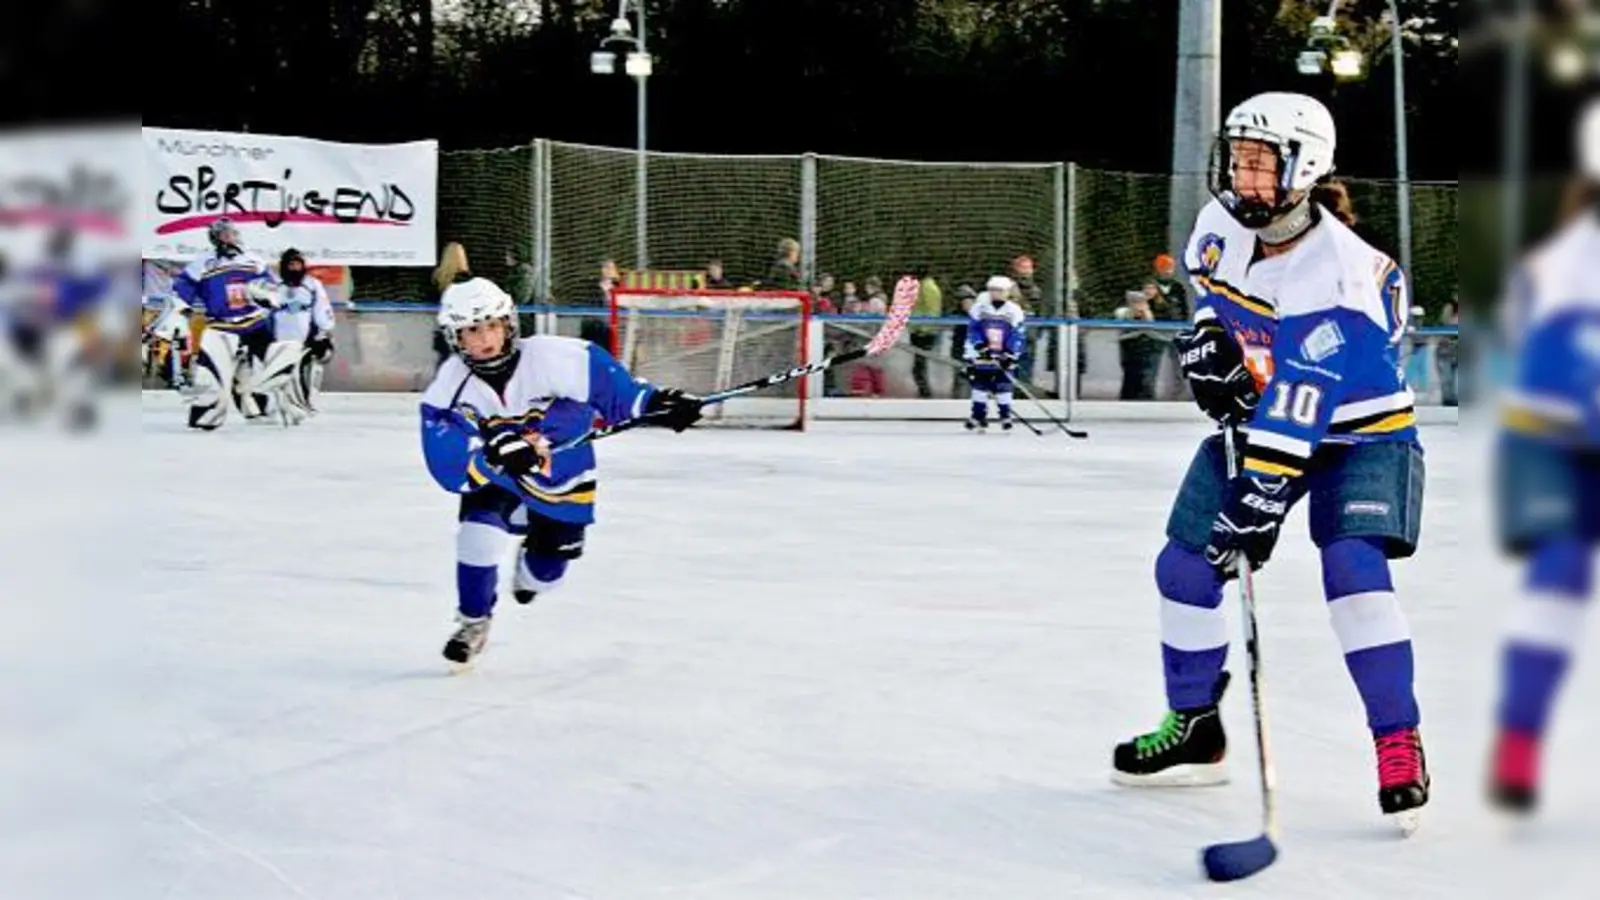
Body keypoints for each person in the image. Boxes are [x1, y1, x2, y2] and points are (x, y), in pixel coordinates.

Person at [1109, 92, 1430, 830]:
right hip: (1267, 419)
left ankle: (1398, 741)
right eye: (1240, 160)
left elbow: (1301, 403)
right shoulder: (1220, 223)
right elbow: (1211, 297)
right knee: (1186, 567)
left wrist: (1256, 499)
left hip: (1361, 435)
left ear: (1306, 169)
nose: (1244, 177)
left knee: (1352, 569)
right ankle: (1194, 726)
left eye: (1262, 165)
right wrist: (1206, 345)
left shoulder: (1342, 277)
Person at [419, 277, 705, 667]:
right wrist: (493, 456)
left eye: (492, 325)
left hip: (562, 479)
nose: (485, 337)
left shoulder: (558, 358)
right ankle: (473, 620)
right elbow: (451, 468)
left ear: (509, 324)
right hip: (500, 476)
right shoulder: (448, 390)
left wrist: (658, 402)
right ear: (455, 336)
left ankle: (528, 574)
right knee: (477, 534)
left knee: (547, 574)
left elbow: (619, 395)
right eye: (472, 329)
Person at [1486, 97, 1600, 816]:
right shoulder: (1562, 265)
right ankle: (1518, 742)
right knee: (1556, 582)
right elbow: (1533, 371)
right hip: (1555, 449)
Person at [172, 218, 309, 429]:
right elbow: (182, 290)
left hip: (254, 324)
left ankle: (276, 407)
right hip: (221, 326)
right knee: (211, 375)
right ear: (216, 238)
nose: (231, 238)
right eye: (225, 234)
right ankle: (204, 415)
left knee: (276, 364)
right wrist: (180, 311)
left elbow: (270, 288)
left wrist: (266, 295)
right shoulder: (203, 263)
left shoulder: (253, 260)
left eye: (233, 233)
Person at [270, 248, 335, 411]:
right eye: (291, 265)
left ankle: (303, 401)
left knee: (303, 368)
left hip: (304, 333)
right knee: (279, 370)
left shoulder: (312, 284)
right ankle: (276, 404)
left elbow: (322, 307)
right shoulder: (272, 284)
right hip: (279, 333)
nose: (294, 268)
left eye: (298, 265)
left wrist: (324, 331)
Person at [963, 275, 1025, 431]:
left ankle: (1005, 415)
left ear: (1007, 292)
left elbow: (1017, 333)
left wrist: (1010, 353)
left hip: (1003, 353)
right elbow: (973, 329)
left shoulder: (1014, 310)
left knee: (1003, 385)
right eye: (992, 290)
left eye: (999, 290)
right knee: (980, 386)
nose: (995, 293)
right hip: (982, 355)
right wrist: (979, 346)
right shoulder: (980, 308)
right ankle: (978, 415)